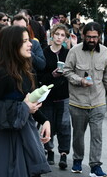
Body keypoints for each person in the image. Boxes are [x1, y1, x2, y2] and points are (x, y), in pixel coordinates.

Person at [0, 26, 51, 177]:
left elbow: (27, 101)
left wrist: (44, 120)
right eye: (25, 41)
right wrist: (23, 108)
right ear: (13, 45)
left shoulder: (25, 70)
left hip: (24, 133)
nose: (30, 44)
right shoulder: (1, 74)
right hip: (4, 139)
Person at [63, 22, 107, 176]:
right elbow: (66, 71)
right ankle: (78, 161)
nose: (92, 40)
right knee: (78, 135)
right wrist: (80, 80)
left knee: (97, 136)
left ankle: (95, 166)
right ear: (83, 36)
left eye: (95, 37)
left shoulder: (105, 52)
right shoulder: (74, 51)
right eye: (89, 37)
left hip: (98, 102)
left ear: (99, 37)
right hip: (77, 102)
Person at [38, 23, 71, 170]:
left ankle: (63, 154)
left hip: (64, 95)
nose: (59, 37)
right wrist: (52, 74)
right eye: (57, 34)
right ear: (52, 35)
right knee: (48, 124)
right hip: (48, 95)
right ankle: (49, 151)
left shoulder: (68, 53)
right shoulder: (44, 53)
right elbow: (39, 75)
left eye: (62, 35)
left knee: (64, 125)